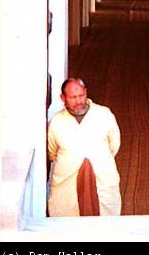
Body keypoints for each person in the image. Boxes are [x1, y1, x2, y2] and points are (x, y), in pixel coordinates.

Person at [47, 78, 122, 217]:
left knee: (105, 220)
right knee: (66, 222)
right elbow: (52, 152)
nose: (78, 101)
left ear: (86, 93)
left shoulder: (104, 114)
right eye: (73, 97)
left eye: (81, 95)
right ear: (62, 98)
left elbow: (114, 144)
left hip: (103, 175)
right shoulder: (57, 122)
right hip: (66, 181)